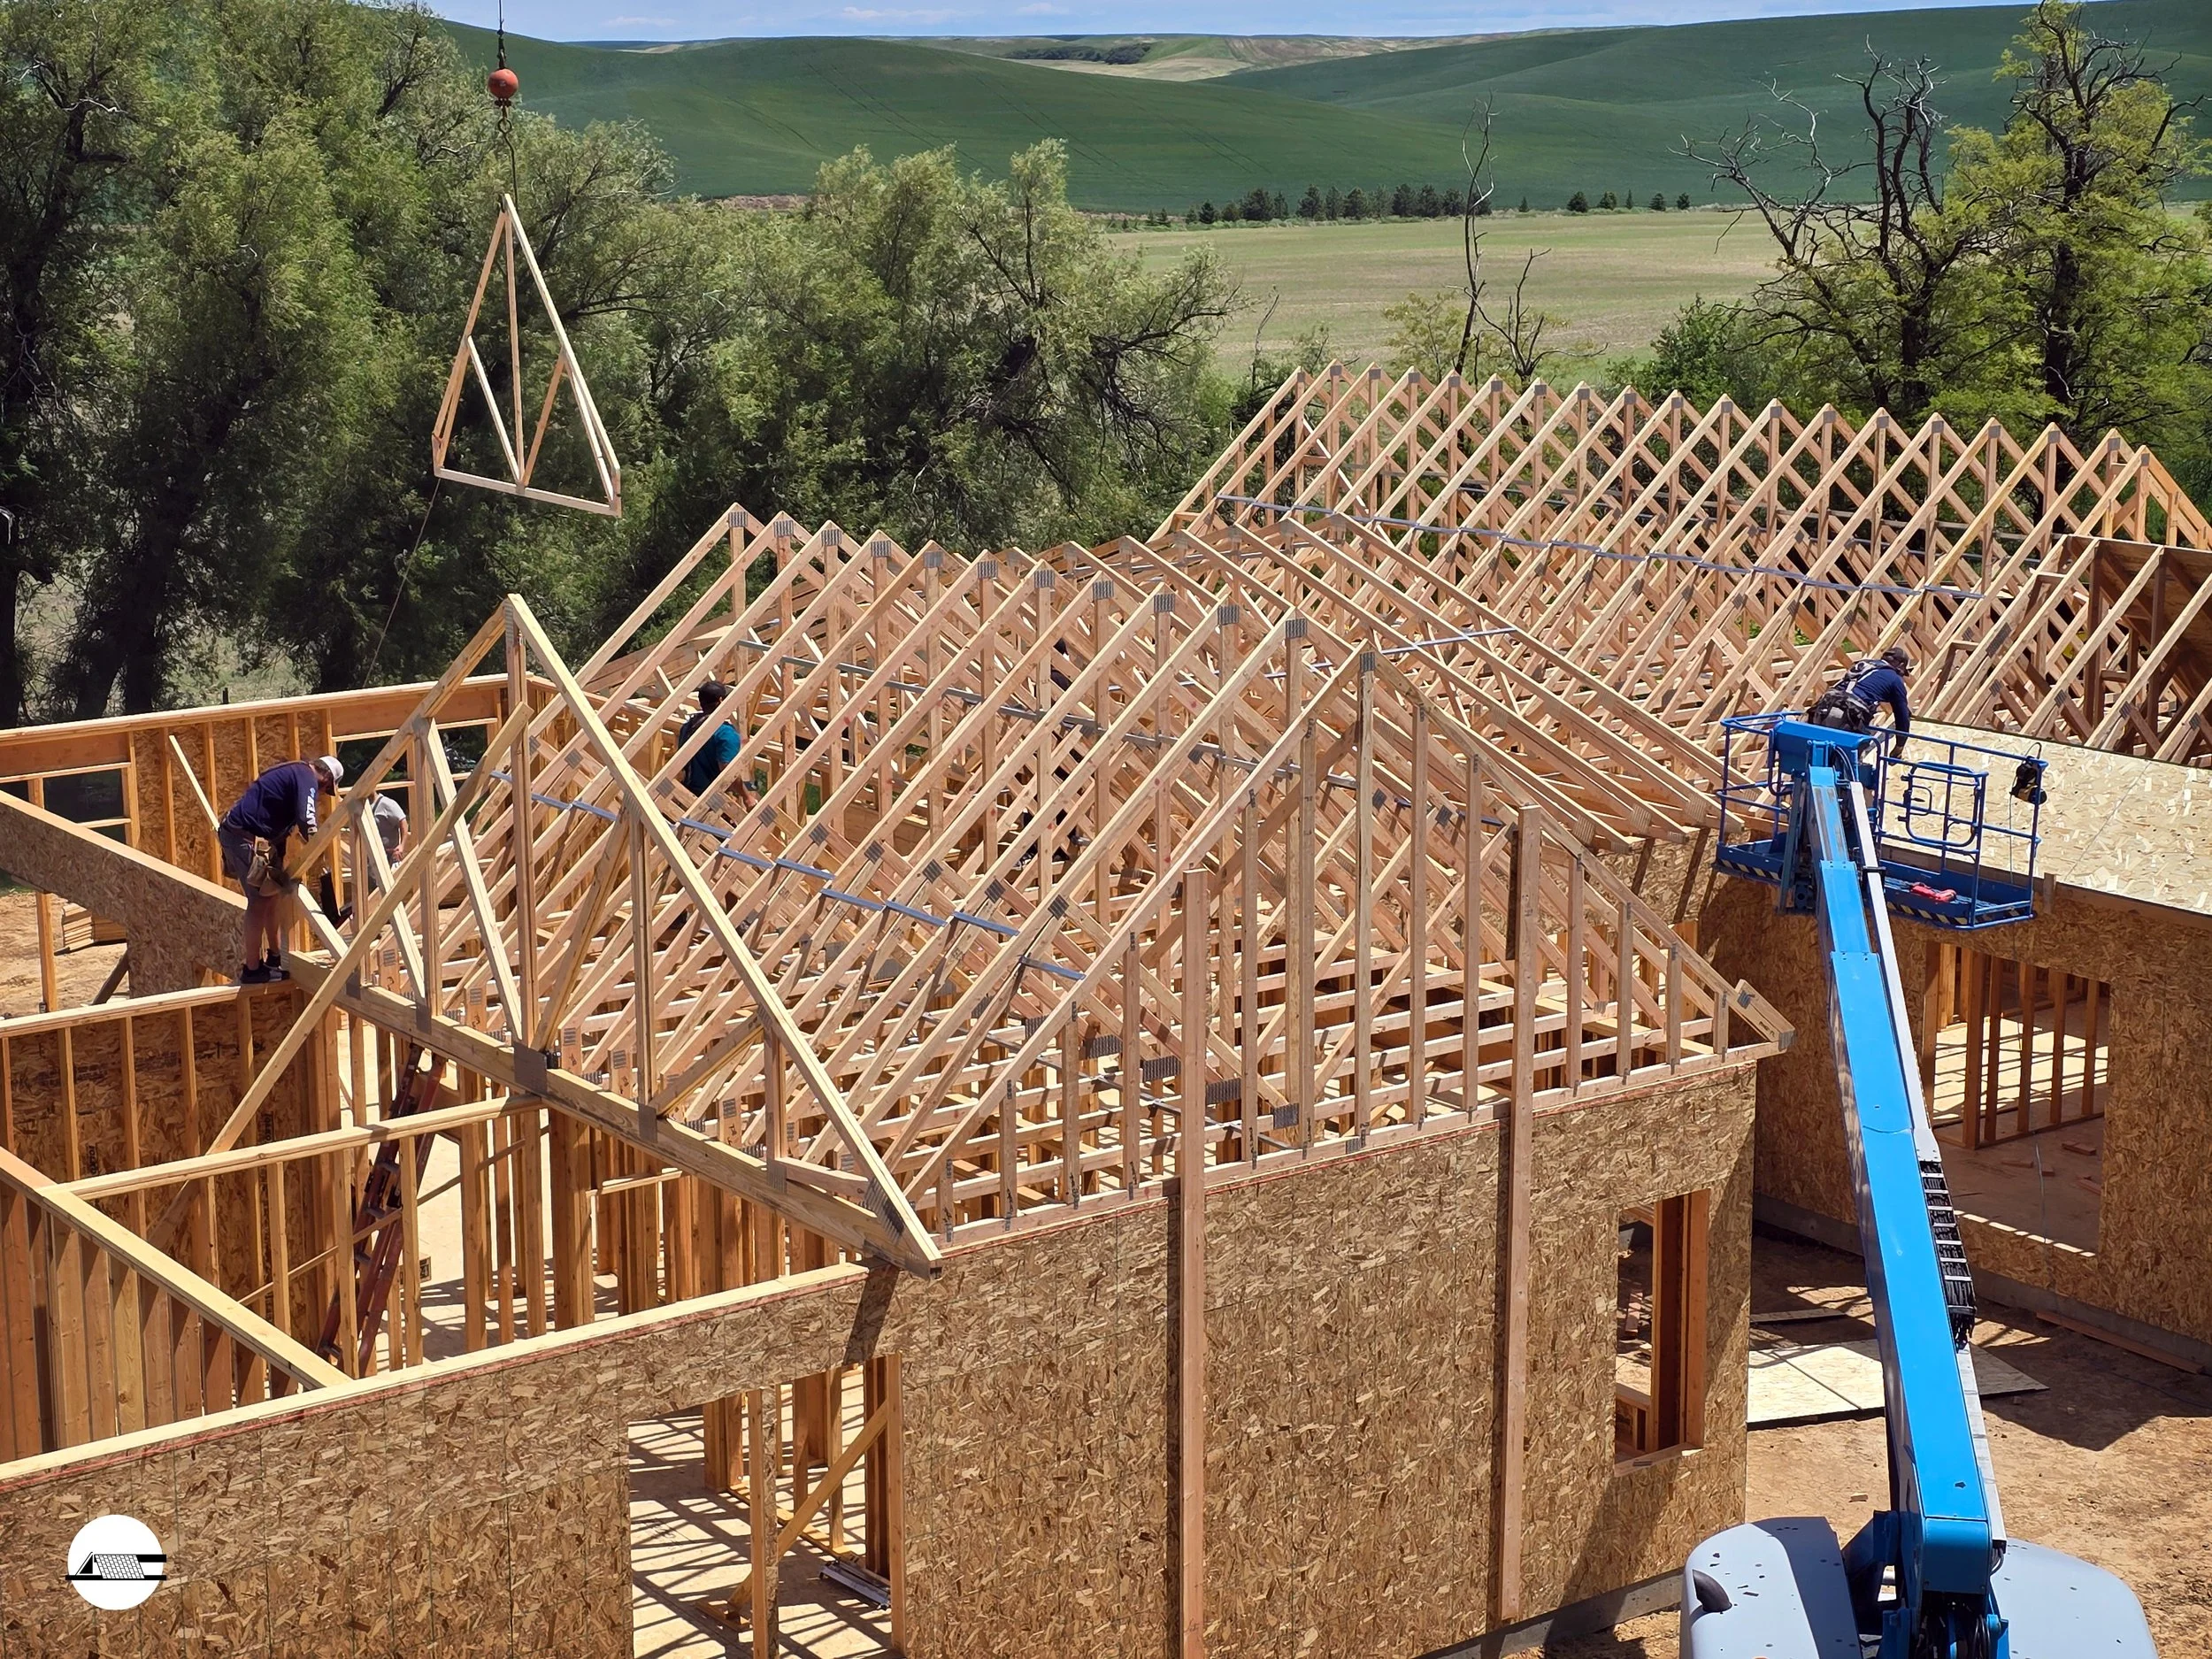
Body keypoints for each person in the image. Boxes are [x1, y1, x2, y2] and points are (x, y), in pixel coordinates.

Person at [218, 755, 342, 983]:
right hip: (241, 836)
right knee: (258, 901)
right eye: (325, 790)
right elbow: (307, 818)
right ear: (326, 779)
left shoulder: (296, 773)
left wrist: (279, 861)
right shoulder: (306, 776)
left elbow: (280, 821)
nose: (322, 793)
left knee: (271, 895)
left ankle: (274, 957)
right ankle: (252, 970)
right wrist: (317, 847)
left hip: (247, 836)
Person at [1808, 645, 1913, 756]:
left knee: (1815, 753)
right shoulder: (1895, 679)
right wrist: (1899, 746)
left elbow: (1857, 688)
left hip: (1823, 707)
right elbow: (1902, 717)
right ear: (1901, 665)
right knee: (1847, 759)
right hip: (1848, 716)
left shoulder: (1865, 665)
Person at [680, 680, 741, 798]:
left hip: (688, 794)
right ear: (721, 700)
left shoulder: (687, 727)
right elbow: (727, 770)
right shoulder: (726, 733)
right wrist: (747, 797)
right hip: (713, 799)